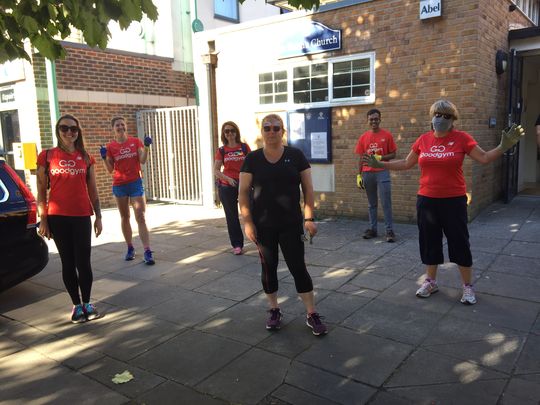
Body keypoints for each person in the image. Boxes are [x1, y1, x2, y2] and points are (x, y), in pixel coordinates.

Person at [364, 100, 524, 305]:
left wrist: (503, 146)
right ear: (432, 116)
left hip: (453, 202)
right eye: (437, 114)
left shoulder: (462, 138)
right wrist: (380, 163)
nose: (440, 118)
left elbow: (483, 158)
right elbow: (406, 163)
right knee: (430, 242)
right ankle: (430, 281)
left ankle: (467, 287)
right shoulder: (423, 140)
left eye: (446, 116)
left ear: (453, 120)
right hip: (427, 201)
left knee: (459, 243)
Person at [238, 114, 327, 336]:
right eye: (267, 128)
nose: (271, 132)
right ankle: (274, 309)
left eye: (276, 128)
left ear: (283, 131)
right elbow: (242, 192)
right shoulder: (252, 159)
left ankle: (311, 313)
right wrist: (247, 222)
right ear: (262, 132)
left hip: (291, 225)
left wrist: (309, 218)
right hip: (263, 226)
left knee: (298, 268)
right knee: (268, 269)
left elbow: (308, 189)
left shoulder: (295, 156)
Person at [36, 114, 102, 323]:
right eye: (64, 128)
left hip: (82, 215)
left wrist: (98, 216)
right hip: (58, 218)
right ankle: (76, 305)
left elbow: (93, 191)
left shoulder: (86, 157)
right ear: (58, 131)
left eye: (73, 129)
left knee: (84, 262)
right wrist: (44, 219)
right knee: (67, 262)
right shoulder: (46, 156)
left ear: (78, 133)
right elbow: (40, 191)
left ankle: (88, 302)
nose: (69, 132)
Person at [100, 117, 154, 265]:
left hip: (135, 182)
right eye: (117, 125)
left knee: (140, 216)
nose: (120, 127)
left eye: (123, 124)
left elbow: (142, 160)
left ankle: (147, 251)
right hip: (120, 185)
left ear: (126, 127)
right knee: (125, 217)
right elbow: (110, 169)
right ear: (113, 128)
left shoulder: (135, 142)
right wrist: (104, 157)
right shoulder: (111, 147)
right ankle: (130, 248)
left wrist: (147, 147)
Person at [354, 108, 397, 242]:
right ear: (368, 121)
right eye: (371, 119)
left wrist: (381, 158)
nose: (374, 121)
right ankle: (373, 229)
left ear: (380, 119)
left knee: (386, 203)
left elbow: (393, 154)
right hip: (368, 173)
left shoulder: (387, 135)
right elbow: (361, 157)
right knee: (372, 204)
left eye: (376, 118)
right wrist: (359, 175)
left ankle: (389, 231)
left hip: (382, 172)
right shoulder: (363, 137)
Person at [214, 121, 251, 255]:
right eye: (226, 131)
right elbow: (216, 170)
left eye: (232, 131)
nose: (230, 133)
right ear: (224, 134)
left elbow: (251, 165)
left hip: (244, 184)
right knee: (232, 217)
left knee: (250, 212)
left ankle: (259, 240)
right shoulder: (222, 150)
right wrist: (228, 179)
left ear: (236, 132)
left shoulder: (244, 147)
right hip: (227, 186)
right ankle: (237, 244)